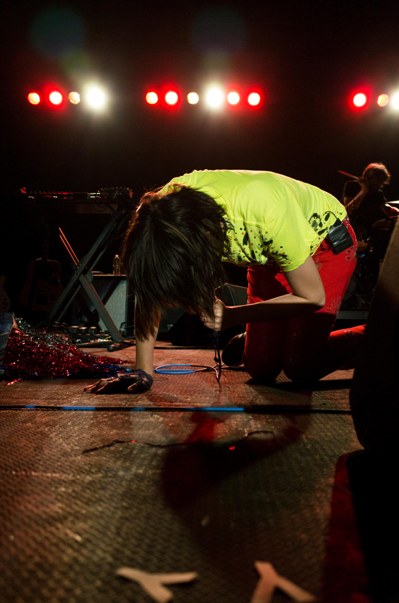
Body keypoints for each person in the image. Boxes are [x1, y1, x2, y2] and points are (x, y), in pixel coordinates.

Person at [85, 169, 363, 395]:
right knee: (261, 367)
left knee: (301, 367)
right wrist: (142, 370)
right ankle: (263, 338)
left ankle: (378, 335)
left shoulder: (265, 216)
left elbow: (311, 296)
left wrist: (232, 316)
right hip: (269, 256)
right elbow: (151, 286)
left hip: (323, 248)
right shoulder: (159, 212)